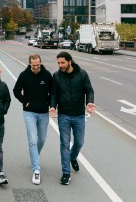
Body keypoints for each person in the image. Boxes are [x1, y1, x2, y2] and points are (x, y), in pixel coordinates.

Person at [49, 51, 95, 185]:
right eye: (58, 63)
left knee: (79, 142)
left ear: (70, 61)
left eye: (62, 62)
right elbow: (54, 94)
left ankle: (73, 157)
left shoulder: (82, 74)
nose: (60, 65)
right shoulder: (56, 76)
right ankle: (66, 173)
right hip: (63, 115)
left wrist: (89, 102)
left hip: (79, 115)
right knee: (64, 144)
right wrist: (52, 106)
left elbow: (89, 90)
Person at [13, 54, 52, 185]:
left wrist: (50, 105)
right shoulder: (24, 75)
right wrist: (25, 101)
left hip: (43, 112)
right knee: (33, 140)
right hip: (29, 112)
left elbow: (52, 92)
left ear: (40, 63)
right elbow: (16, 90)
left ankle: (34, 156)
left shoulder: (47, 75)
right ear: (29, 64)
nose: (36, 67)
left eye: (38, 65)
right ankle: (36, 169)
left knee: (41, 139)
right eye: (33, 65)